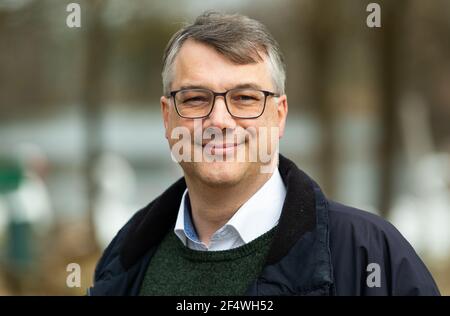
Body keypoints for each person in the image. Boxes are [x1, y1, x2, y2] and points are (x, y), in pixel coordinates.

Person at [89, 11, 440, 296]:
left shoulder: (370, 256)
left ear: (280, 114)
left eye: (245, 98)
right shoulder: (125, 260)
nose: (220, 121)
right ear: (168, 117)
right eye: (196, 98)